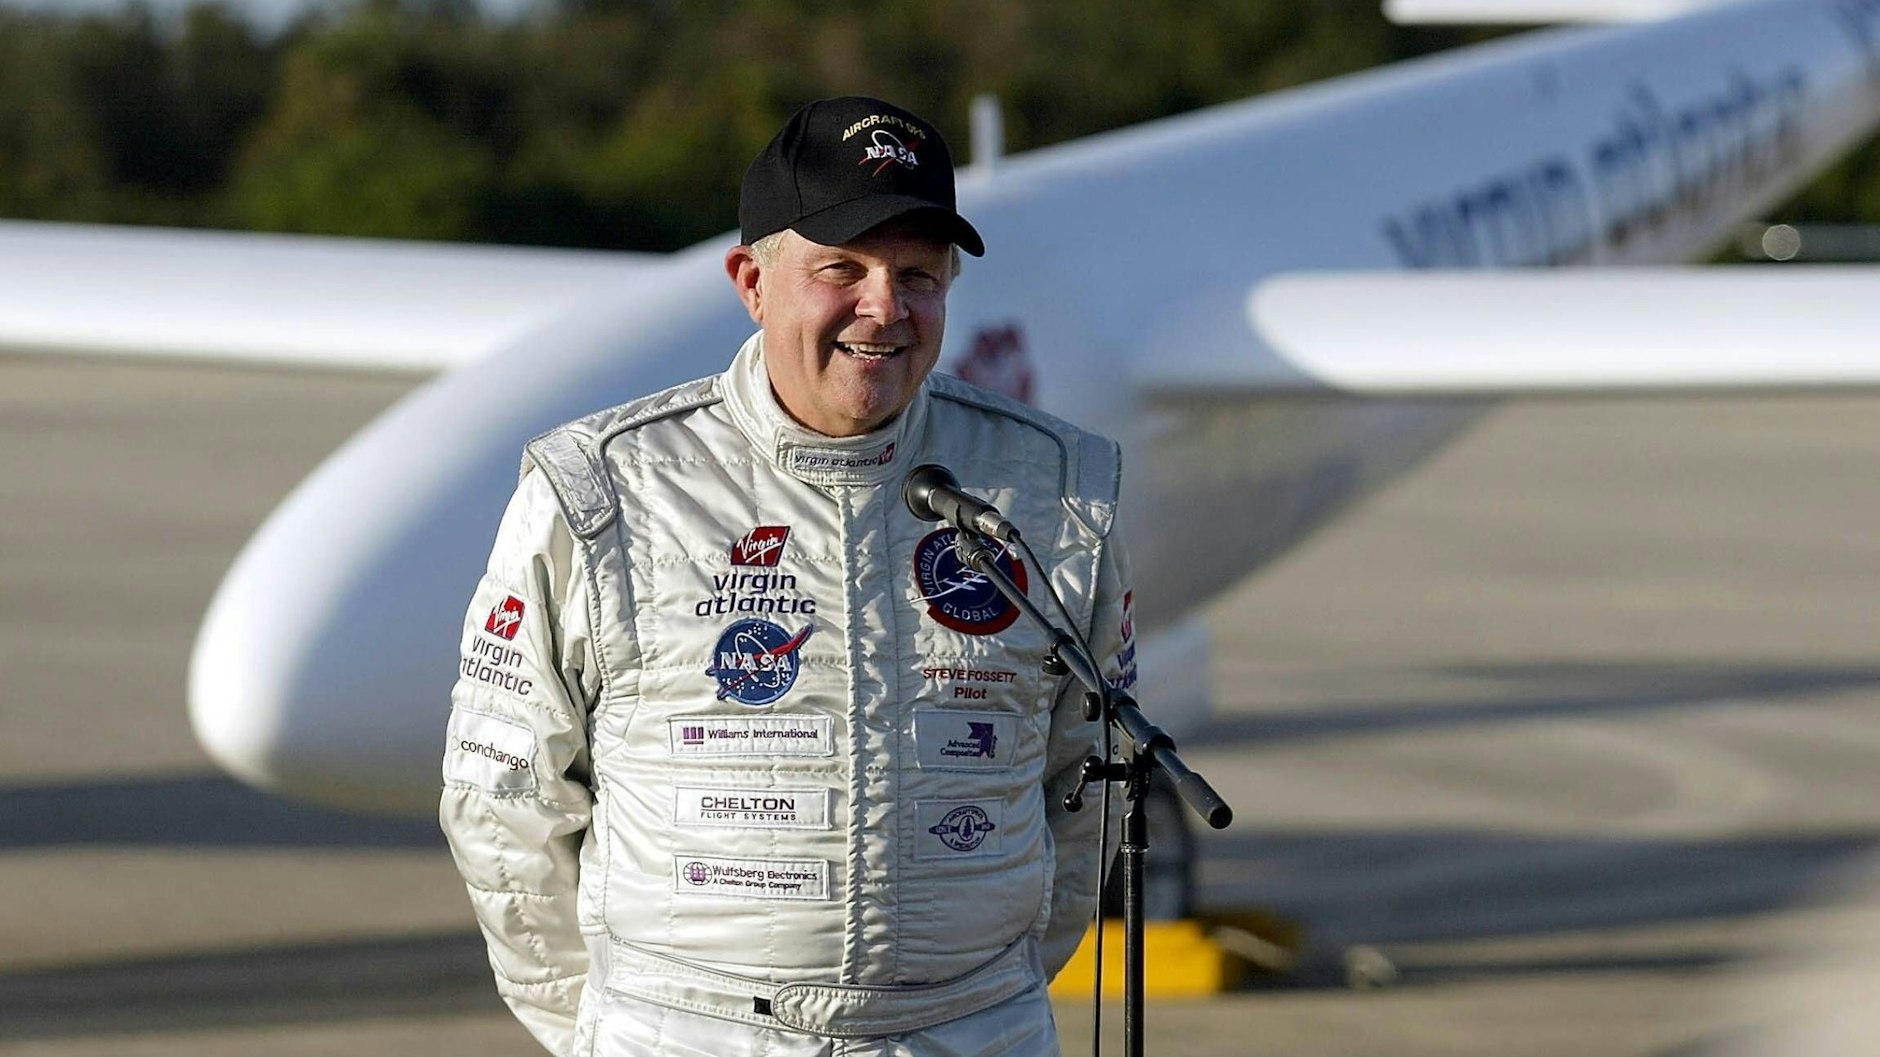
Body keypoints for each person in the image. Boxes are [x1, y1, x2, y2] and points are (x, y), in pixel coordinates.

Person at [440, 95, 1135, 1057]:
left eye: (917, 275)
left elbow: (1091, 783)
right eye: (842, 269)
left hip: (974, 1032)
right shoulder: (601, 490)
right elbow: (503, 800)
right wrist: (602, 1028)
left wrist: (983, 997)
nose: (884, 308)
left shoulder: (1056, 488)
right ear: (752, 282)